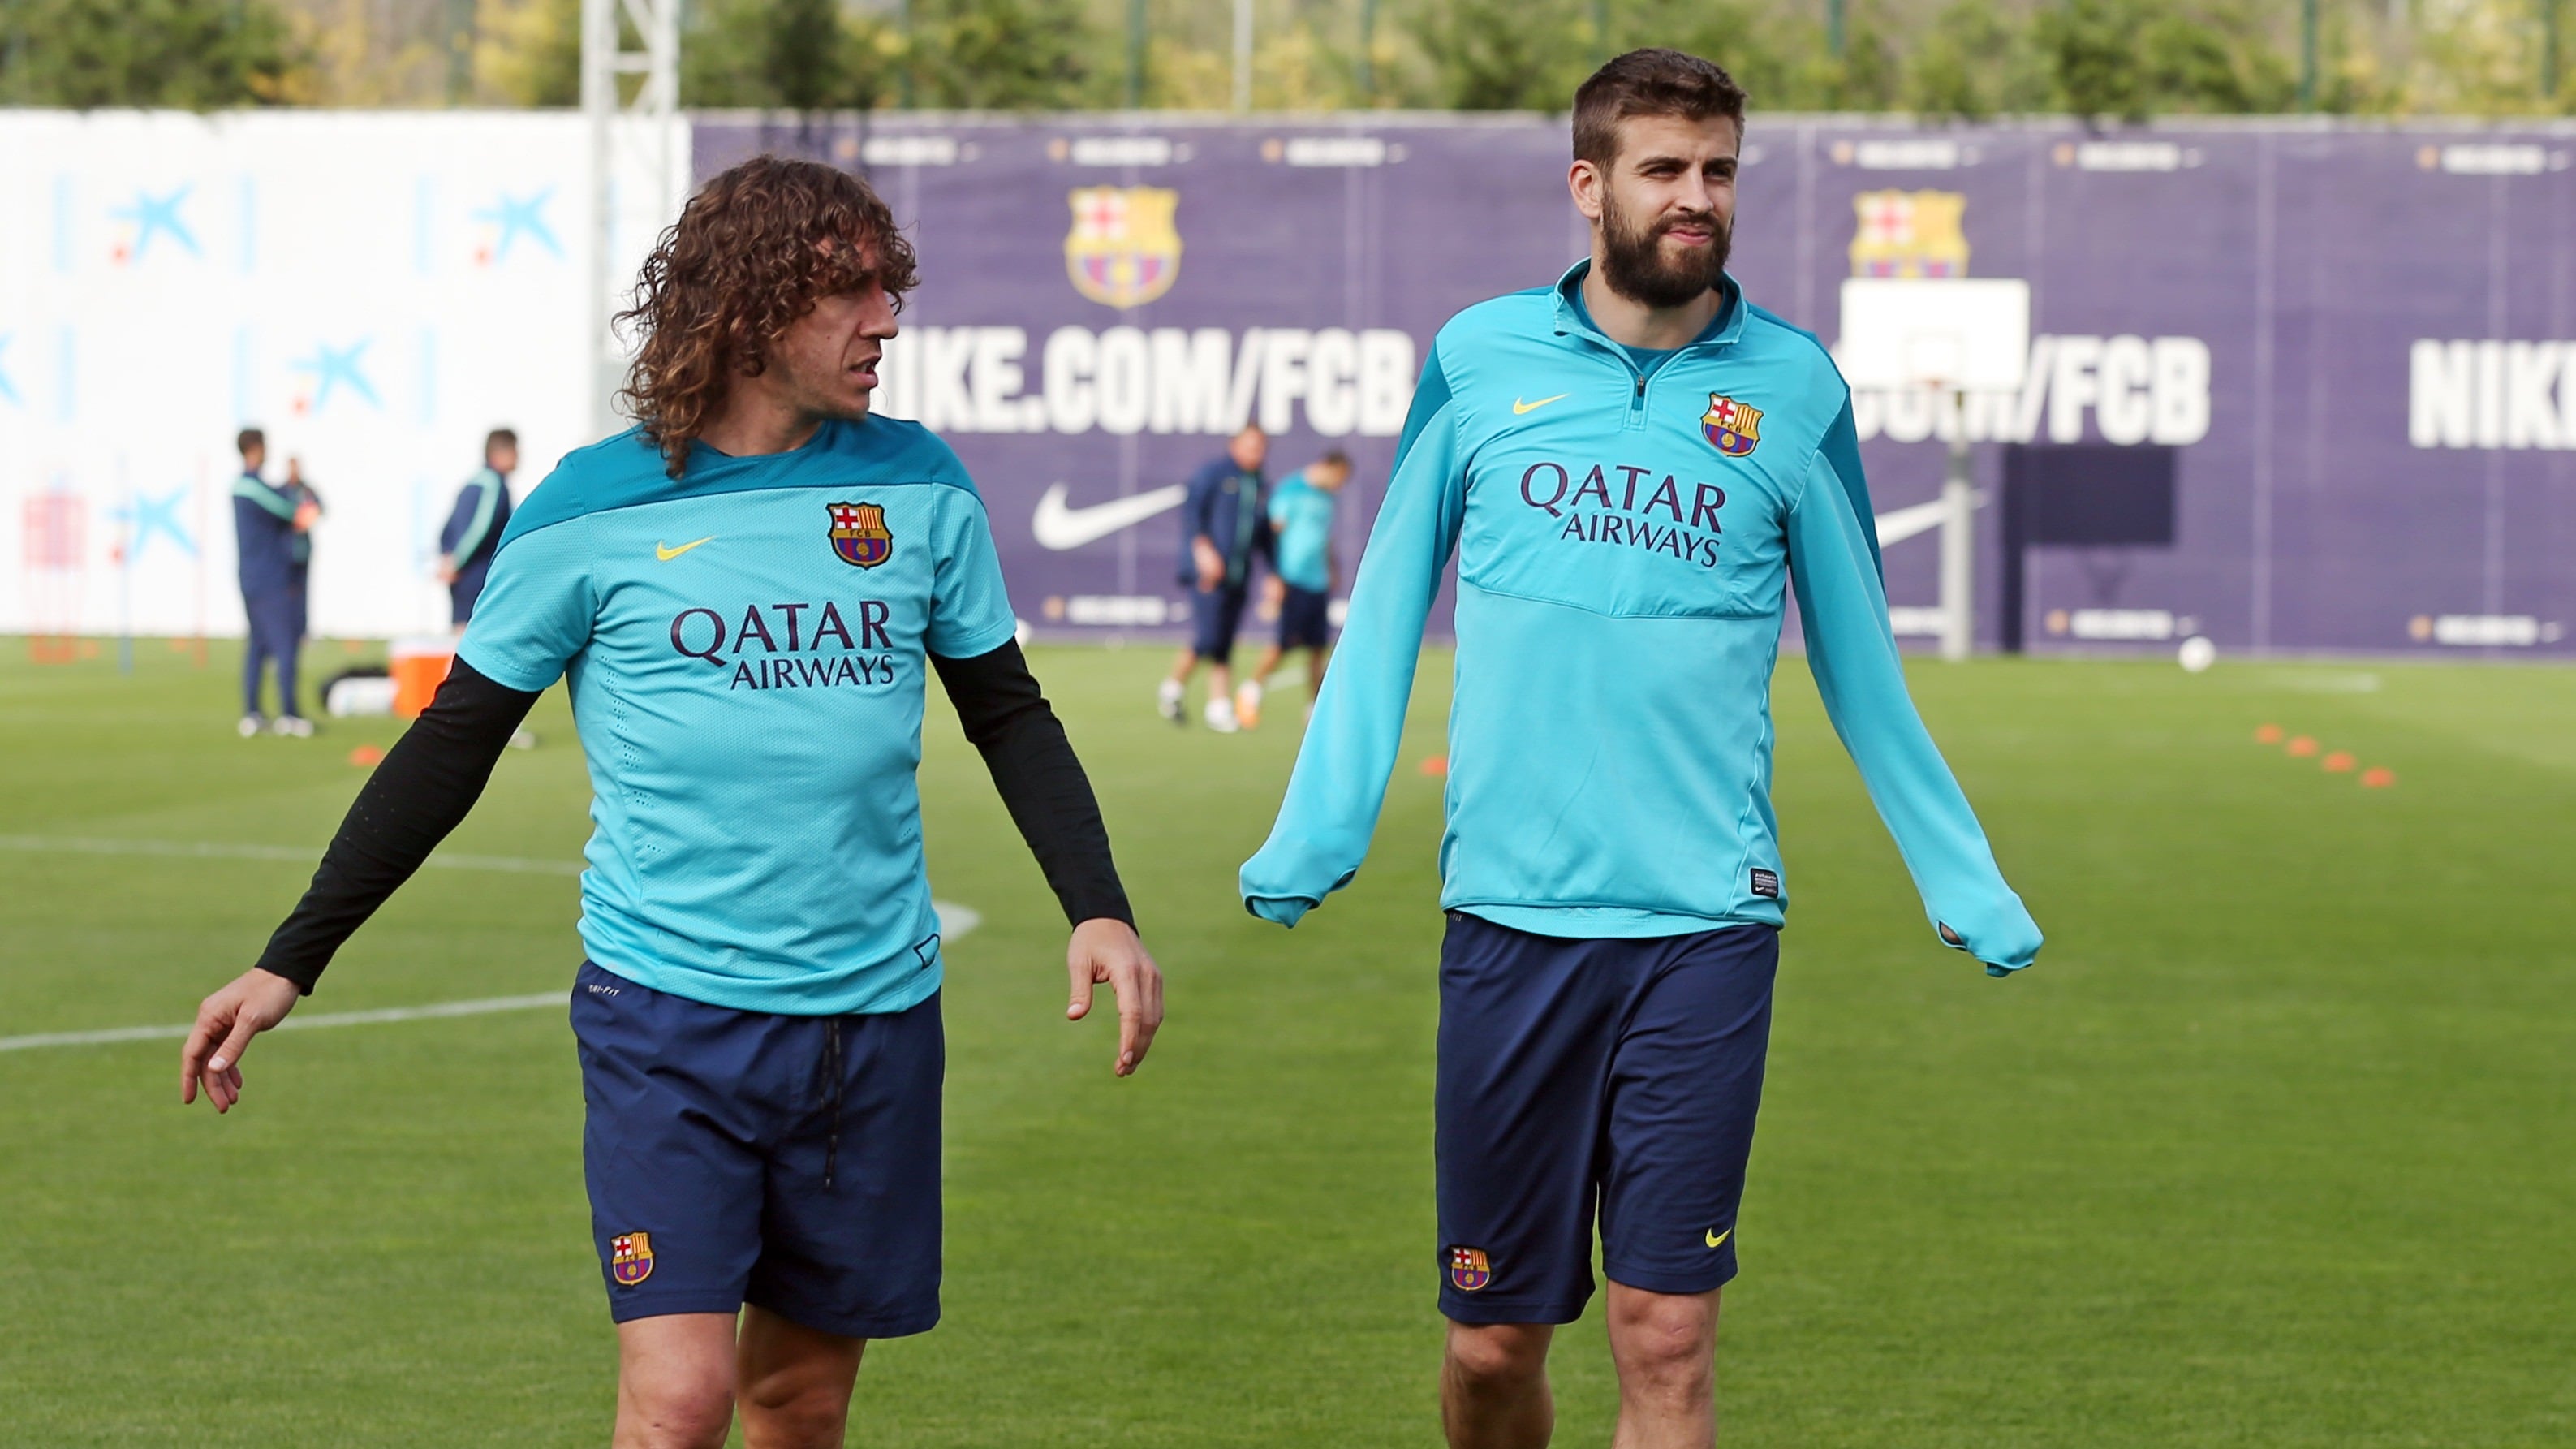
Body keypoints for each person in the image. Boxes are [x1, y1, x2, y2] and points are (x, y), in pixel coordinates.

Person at [179, 157, 1164, 1449]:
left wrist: (1097, 906)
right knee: (682, 1400)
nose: (884, 320)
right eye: (846, 292)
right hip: (668, 1022)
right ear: (752, 309)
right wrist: (288, 960)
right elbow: (449, 749)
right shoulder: (592, 508)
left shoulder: (920, 484)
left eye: (888, 288)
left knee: (800, 1403)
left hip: (871, 1022)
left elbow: (1008, 710)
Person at [1238, 50, 2042, 1449]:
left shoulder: (1793, 386)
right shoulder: (1476, 359)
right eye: (1663, 169)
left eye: (1717, 170)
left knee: (1663, 1332)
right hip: (1509, 918)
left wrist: (1957, 872)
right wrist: (1317, 833)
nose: (1694, 198)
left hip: (1704, 927)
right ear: (1586, 184)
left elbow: (1859, 660)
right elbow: (1375, 621)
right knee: (1491, 1346)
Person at [1157, 423, 1270, 732]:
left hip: (1238, 574)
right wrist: (1203, 551)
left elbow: (1262, 535)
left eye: (1260, 447)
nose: (1256, 452)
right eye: (1250, 445)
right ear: (1235, 445)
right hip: (1208, 573)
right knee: (1208, 638)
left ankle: (1218, 706)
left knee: (1225, 642)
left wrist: (1274, 575)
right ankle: (1172, 687)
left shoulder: (1259, 484)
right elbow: (1193, 514)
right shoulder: (1215, 474)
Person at [1233, 448, 1350, 730]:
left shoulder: (1327, 498)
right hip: (1292, 578)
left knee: (1317, 647)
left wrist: (1332, 569)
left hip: (1317, 581)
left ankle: (1315, 709)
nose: (1340, 485)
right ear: (1327, 467)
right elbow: (1272, 536)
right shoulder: (1291, 489)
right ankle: (1250, 691)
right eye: (1339, 478)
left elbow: (1324, 539)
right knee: (1284, 643)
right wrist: (1275, 579)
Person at [231, 429, 322, 737]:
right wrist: (302, 495)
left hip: (251, 577)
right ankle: (289, 714)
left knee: (258, 644)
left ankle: (252, 713)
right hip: (270, 578)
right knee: (285, 645)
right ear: (255, 449)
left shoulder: (248, 487)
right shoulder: (251, 487)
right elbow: (292, 510)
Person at [436, 428, 519, 628]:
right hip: (476, 577)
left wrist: (446, 556)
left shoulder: (474, 481)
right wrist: (455, 562)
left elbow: (448, 528)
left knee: (461, 638)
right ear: (502, 453)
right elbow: (478, 529)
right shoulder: (494, 485)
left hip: (464, 577)